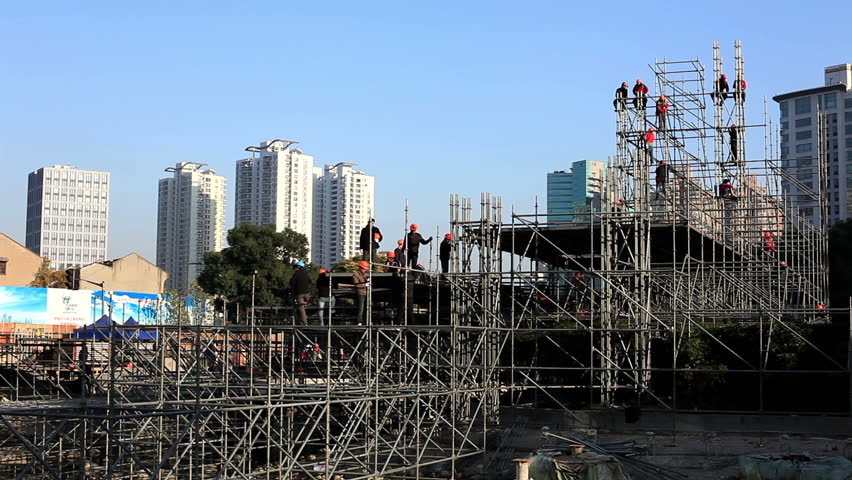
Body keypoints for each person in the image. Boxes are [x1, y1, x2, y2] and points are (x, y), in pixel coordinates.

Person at [290, 261, 312, 325]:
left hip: (299, 293)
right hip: (307, 293)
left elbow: (292, 283)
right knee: (310, 302)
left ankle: (305, 323)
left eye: (296, 267)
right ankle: (307, 304)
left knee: (301, 308)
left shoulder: (296, 274)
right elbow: (310, 281)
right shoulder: (306, 274)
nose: (295, 269)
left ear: (298, 267)